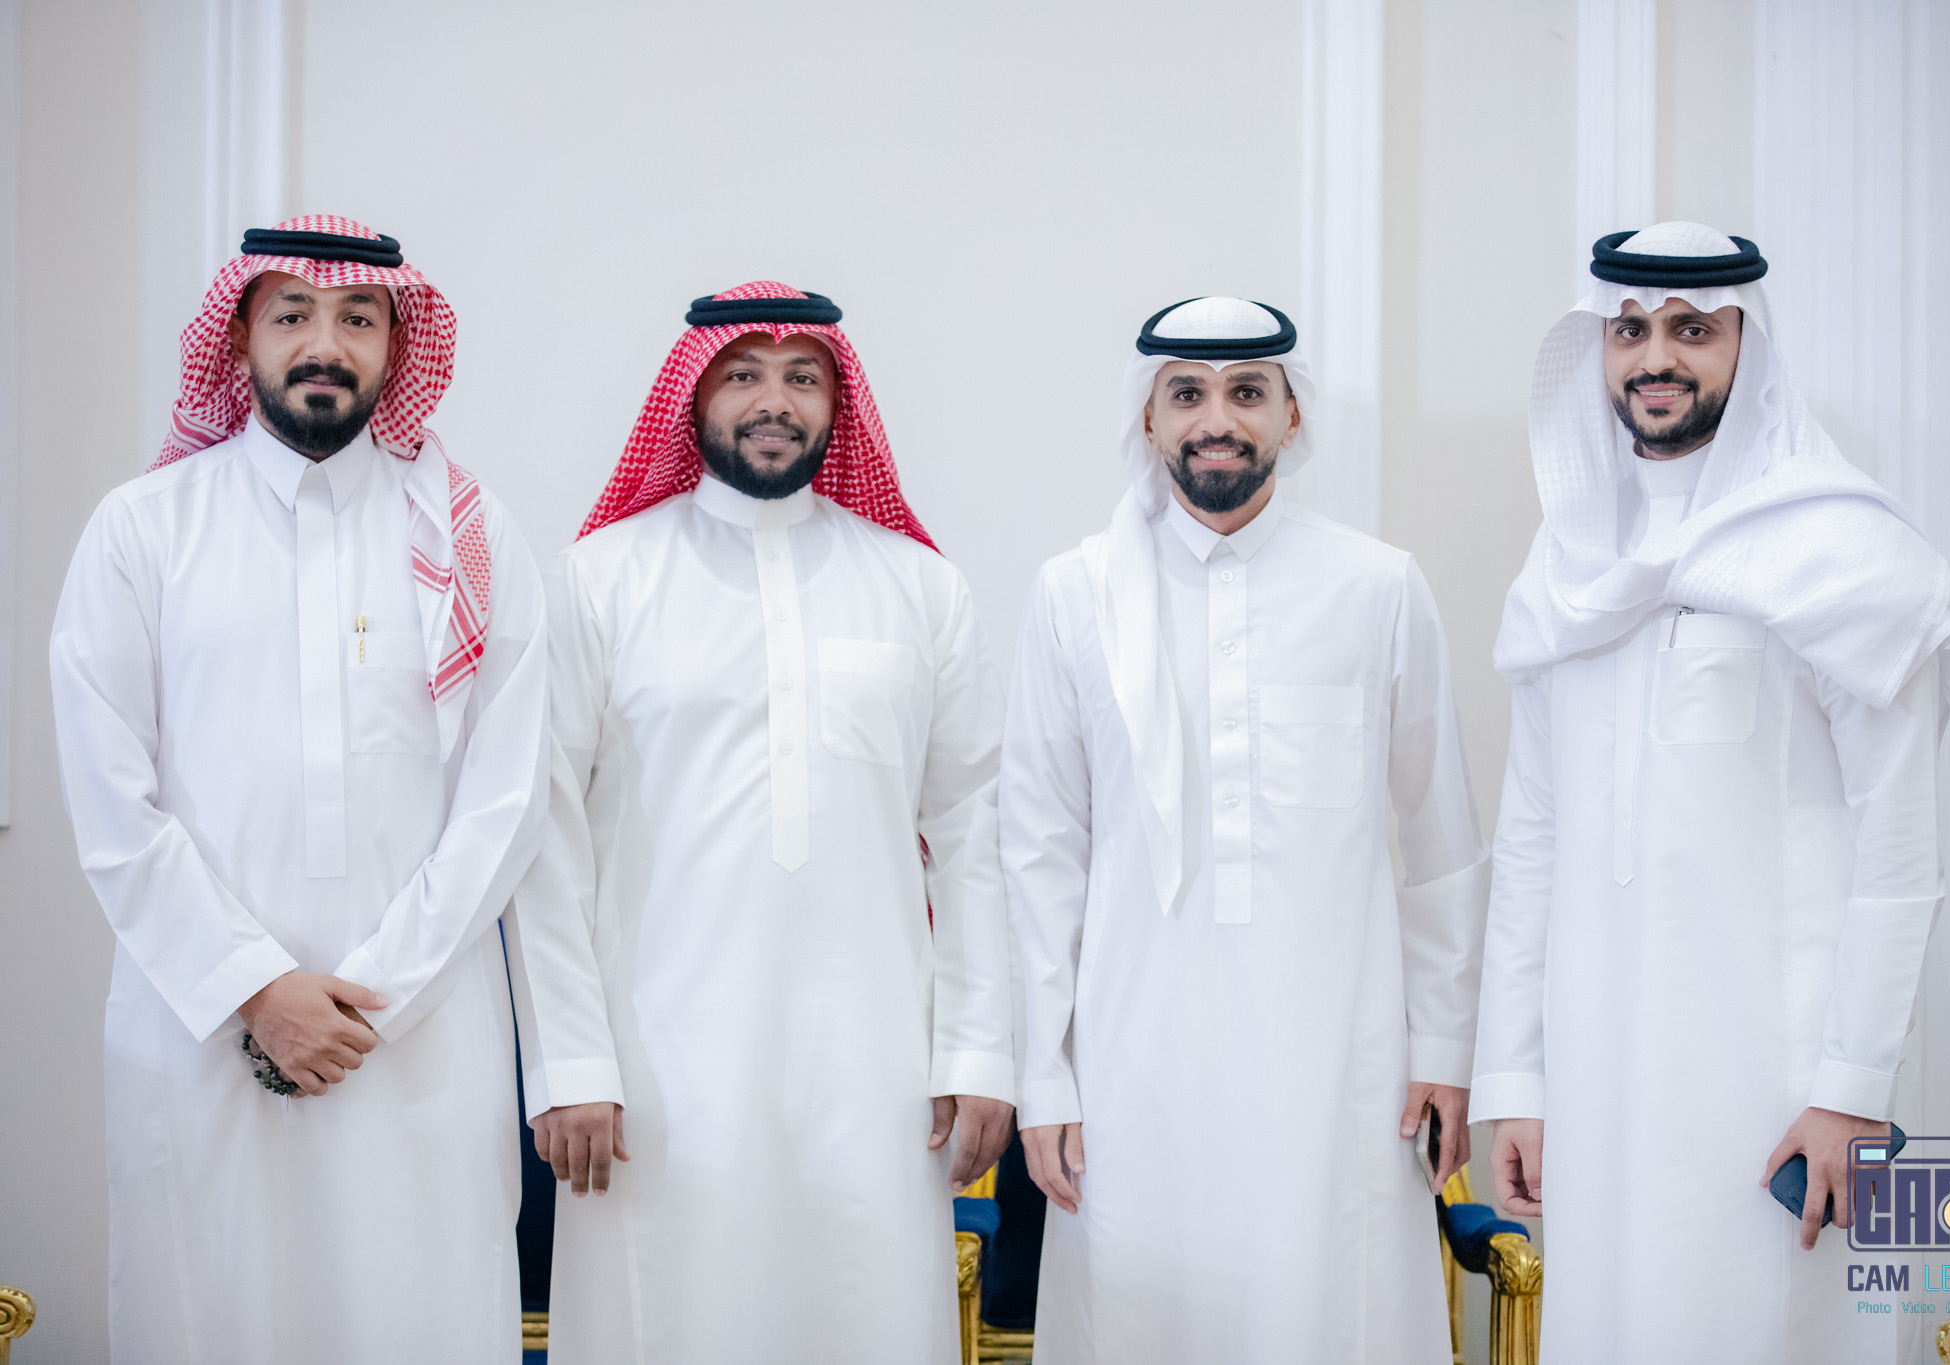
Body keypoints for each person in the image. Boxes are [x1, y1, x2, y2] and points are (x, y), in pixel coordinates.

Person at [50, 216, 550, 1363]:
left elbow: (507, 797)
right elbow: (110, 800)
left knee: (416, 1317)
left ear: (396, 344)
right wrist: (256, 991)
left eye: (357, 318)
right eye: (292, 315)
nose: (325, 343)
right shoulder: (142, 530)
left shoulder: (468, 533)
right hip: (199, 1030)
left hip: (416, 1041)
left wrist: (370, 997)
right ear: (238, 339)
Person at [1471, 222, 1950, 1362]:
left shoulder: (1843, 553)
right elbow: (1532, 839)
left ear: (1751, 346)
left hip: (1782, 1091)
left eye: (1692, 329)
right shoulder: (1566, 566)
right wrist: (1515, 1078)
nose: (1656, 357)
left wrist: (1850, 1089)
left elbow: (1900, 849)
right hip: (1598, 1082)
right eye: (1629, 330)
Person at [508, 281, 1014, 1363]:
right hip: (655, 1072)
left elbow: (975, 834)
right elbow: (544, 838)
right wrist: (571, 1065)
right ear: (692, 398)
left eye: (801, 378)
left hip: (876, 1065)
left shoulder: (920, 589)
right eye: (742, 375)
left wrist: (977, 1050)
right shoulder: (599, 581)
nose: (772, 401)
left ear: (839, 403)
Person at [1001, 297, 1490, 1362]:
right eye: (1186, 394)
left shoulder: (1377, 586)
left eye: (1246, 393)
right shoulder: (1073, 595)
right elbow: (1038, 858)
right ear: (1147, 418)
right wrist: (1042, 1076)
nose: (1216, 420)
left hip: (1339, 1071)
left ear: (1291, 415)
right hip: (1131, 1071)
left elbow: (1441, 846)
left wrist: (1447, 1052)